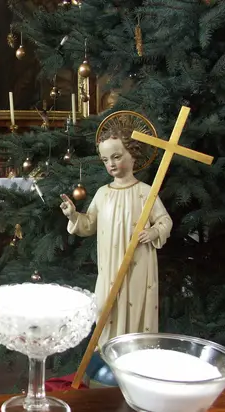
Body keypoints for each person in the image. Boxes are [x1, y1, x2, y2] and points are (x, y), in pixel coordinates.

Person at [60, 124, 172, 347]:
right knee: (106, 307)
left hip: (139, 263)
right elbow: (89, 224)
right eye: (105, 159)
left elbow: (165, 220)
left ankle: (136, 351)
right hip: (110, 266)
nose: (111, 164)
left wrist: (154, 231)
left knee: (136, 305)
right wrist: (73, 215)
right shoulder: (103, 193)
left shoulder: (145, 192)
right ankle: (108, 350)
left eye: (116, 156)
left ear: (133, 154)